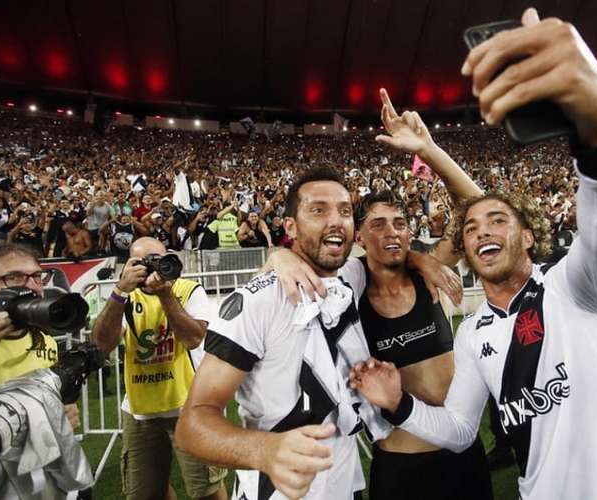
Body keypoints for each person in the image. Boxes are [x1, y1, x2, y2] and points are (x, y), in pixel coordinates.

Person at [349, 7, 597, 499]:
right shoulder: (475, 332)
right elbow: (461, 429)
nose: (483, 230)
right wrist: (398, 405)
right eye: (473, 227)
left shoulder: (578, 285)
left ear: (528, 236)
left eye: (500, 220)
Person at [175, 166, 459, 500]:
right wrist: (264, 450)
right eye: (318, 210)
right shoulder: (257, 300)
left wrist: (419, 258)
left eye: (343, 211)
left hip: (345, 485)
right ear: (291, 226)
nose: (335, 220)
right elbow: (192, 426)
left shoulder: (349, 278)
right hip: (278, 492)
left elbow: (389, 253)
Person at [91, 237, 227, 500]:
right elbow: (102, 344)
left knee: (205, 490)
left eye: (157, 260)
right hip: (140, 409)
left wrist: (165, 293)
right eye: (143, 262)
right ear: (128, 265)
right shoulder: (124, 296)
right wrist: (119, 291)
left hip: (189, 405)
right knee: (145, 492)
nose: (152, 268)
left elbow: (193, 338)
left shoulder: (188, 290)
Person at [0, 243, 79, 427]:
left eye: (37, 276)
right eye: (14, 277)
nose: (32, 286)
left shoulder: (46, 341)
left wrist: (60, 414)